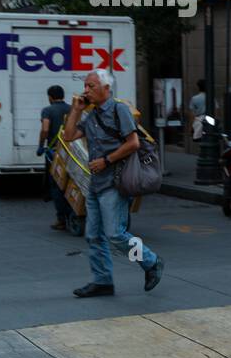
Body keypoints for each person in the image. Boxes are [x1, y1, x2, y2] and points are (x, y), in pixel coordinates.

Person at [62, 70, 164, 297]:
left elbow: (134, 143)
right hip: (95, 184)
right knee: (93, 235)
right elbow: (68, 136)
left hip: (115, 182)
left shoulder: (119, 110)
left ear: (106, 89)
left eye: (91, 86)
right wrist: (76, 110)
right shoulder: (90, 116)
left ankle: (151, 262)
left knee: (115, 234)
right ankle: (102, 281)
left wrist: (107, 160)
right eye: (85, 86)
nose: (86, 90)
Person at [38, 85, 71, 231]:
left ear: (50, 97)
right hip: (71, 153)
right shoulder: (72, 109)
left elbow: (45, 129)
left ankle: (61, 219)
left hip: (54, 154)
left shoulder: (48, 110)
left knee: (57, 185)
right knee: (71, 182)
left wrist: (40, 145)